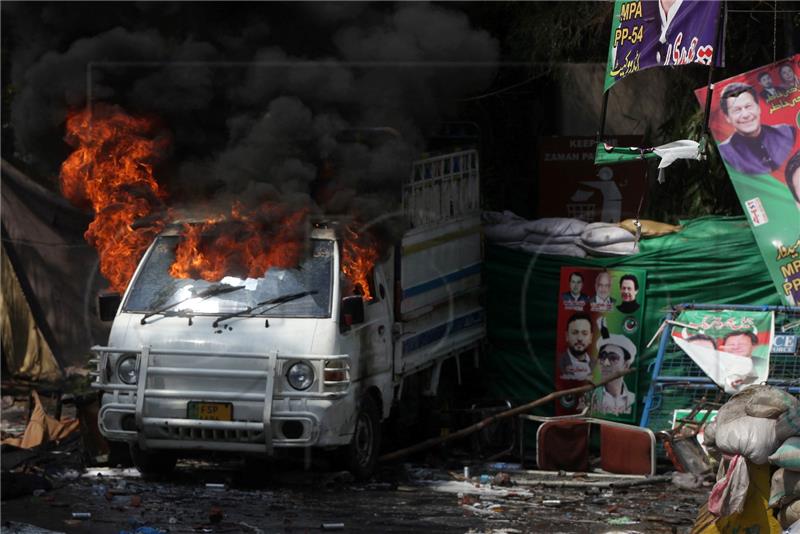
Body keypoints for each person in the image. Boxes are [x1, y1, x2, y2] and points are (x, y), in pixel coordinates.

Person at [717, 82, 796, 176]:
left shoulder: (788, 132)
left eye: (748, 106)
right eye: (737, 110)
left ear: (758, 108)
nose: (745, 115)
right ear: (727, 117)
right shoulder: (724, 153)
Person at [591, 332, 637, 416]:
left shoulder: (633, 400)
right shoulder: (590, 397)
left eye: (613, 358)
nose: (606, 363)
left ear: (626, 365)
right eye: (603, 357)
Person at [558, 312, 594, 381]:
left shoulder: (596, 364)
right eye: (575, 333)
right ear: (567, 336)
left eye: (584, 333)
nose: (580, 338)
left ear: (591, 338)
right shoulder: (559, 363)